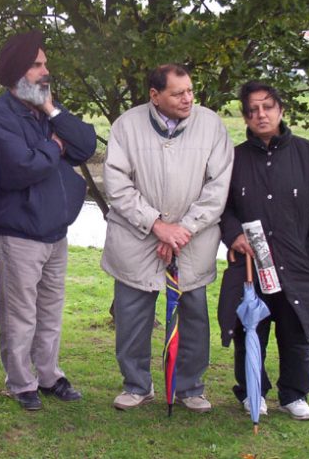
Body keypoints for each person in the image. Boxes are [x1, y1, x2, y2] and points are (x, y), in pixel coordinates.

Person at [101, 64, 233, 413]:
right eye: (178, 93)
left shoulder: (211, 126)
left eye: (190, 90)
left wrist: (182, 229)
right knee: (131, 316)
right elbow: (117, 184)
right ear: (154, 96)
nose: (187, 98)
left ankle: (190, 387)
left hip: (192, 240)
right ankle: (136, 385)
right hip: (136, 237)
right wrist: (157, 225)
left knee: (193, 317)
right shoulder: (126, 126)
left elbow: (218, 187)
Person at [0, 30, 96, 411]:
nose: (45, 71)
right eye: (36, 65)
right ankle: (21, 382)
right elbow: (20, 169)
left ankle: (48, 375)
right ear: (17, 72)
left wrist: (53, 113)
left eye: (45, 63)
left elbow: (85, 146)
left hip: (55, 232)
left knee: (50, 309)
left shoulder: (47, 110)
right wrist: (53, 146)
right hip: (19, 233)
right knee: (19, 314)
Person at [218, 81, 309, 420]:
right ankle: (252, 392)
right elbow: (223, 208)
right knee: (249, 330)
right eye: (253, 109)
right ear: (245, 116)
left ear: (281, 110)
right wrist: (233, 237)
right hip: (250, 266)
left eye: (267, 107)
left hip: (298, 266)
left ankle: (294, 395)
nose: (261, 114)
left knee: (296, 332)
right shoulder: (234, 159)